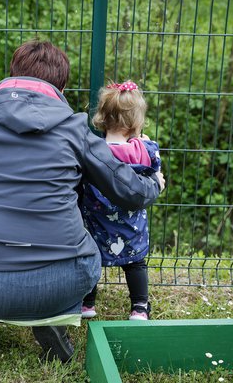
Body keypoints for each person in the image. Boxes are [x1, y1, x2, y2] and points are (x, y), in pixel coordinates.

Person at [0, 40, 165, 363]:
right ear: (63, 85)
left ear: (11, 74)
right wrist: (153, 182)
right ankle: (51, 318)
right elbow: (130, 191)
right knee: (83, 244)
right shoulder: (73, 129)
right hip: (57, 283)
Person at [80, 80, 161, 321]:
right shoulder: (145, 150)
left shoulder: (94, 151)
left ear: (102, 117)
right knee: (135, 263)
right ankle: (139, 307)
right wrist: (143, 142)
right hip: (130, 225)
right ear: (137, 121)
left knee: (91, 259)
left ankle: (87, 304)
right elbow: (155, 172)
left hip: (97, 223)